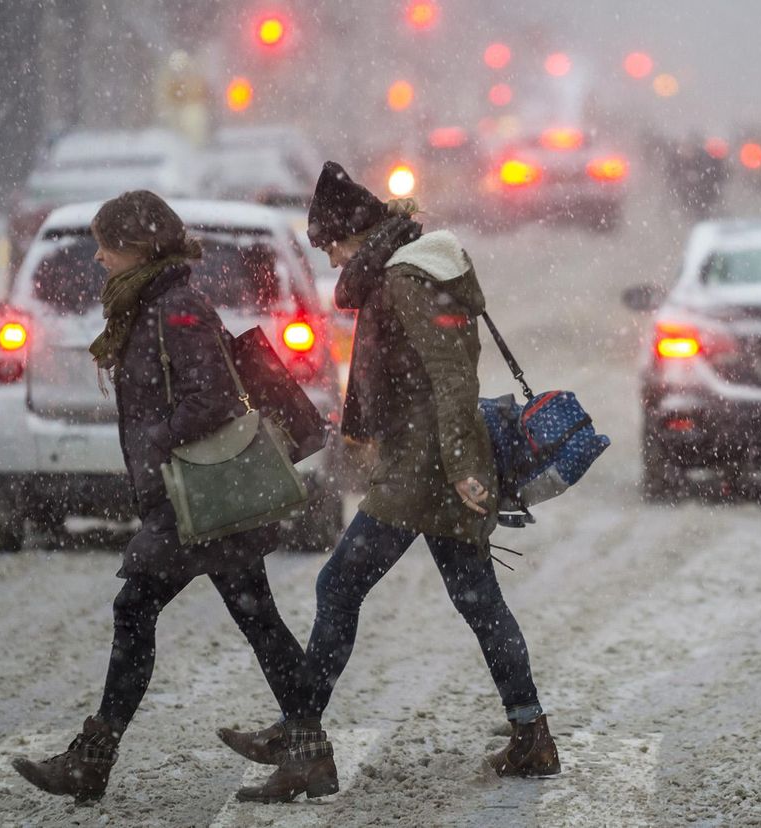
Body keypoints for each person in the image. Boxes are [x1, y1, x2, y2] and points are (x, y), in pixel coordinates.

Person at [219, 162, 560, 804]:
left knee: (339, 584)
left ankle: (302, 743)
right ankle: (530, 735)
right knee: (478, 601)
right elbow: (412, 377)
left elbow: (451, 376)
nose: (329, 258)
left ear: (355, 232)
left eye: (330, 245)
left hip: (425, 471)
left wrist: (461, 465)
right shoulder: (407, 272)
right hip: (422, 461)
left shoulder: (406, 278)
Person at [11, 190, 331, 804]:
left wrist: (155, 442)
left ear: (137, 245)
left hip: (196, 497)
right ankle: (308, 750)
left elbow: (209, 399)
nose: (100, 257)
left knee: (140, 609)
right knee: (254, 616)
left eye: (107, 244)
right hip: (192, 497)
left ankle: (93, 758)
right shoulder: (153, 302)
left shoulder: (176, 307)